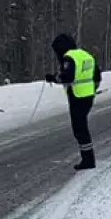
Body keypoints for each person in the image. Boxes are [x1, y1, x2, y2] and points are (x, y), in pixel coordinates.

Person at [45, 33, 102, 170]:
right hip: (88, 96)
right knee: (82, 127)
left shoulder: (69, 58)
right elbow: (97, 76)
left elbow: (67, 77)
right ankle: (88, 158)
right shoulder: (85, 55)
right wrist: (92, 89)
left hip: (77, 96)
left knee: (80, 129)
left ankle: (88, 160)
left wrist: (52, 78)